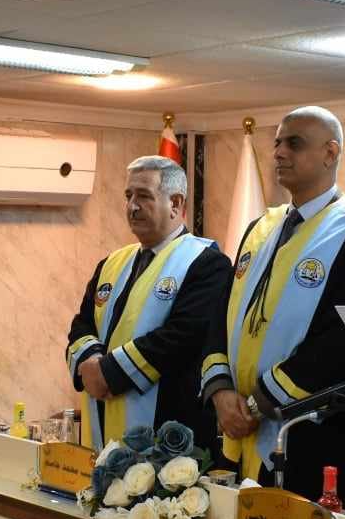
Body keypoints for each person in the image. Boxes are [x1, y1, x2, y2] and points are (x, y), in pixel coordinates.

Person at [202, 106, 345, 504]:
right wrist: (220, 391)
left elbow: (343, 343)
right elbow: (221, 314)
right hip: (237, 428)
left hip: (310, 437)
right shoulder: (261, 228)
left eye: (294, 143)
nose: (278, 153)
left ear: (330, 153)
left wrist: (256, 403)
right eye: (277, 143)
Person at [67, 155, 231, 449]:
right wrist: (88, 361)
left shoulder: (207, 263)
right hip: (103, 429)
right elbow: (82, 323)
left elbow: (182, 336)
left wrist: (109, 373)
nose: (132, 206)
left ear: (176, 204)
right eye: (128, 196)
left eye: (143, 196)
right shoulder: (112, 263)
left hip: (170, 436)